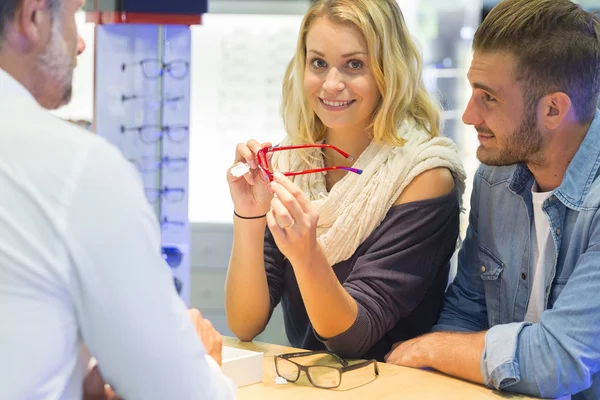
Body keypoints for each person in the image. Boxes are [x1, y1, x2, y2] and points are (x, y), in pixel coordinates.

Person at [0, 0, 235, 399]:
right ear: (34, 16)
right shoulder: (76, 167)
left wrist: (72, 377)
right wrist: (205, 360)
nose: (80, 45)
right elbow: (180, 392)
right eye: (74, 15)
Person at [225, 0, 466, 362]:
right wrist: (249, 215)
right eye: (318, 63)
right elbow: (245, 323)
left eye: (355, 65)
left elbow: (352, 338)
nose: (332, 84)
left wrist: (307, 255)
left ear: (390, 70)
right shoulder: (289, 162)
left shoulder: (424, 176)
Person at [385, 0, 600, 399]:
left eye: (489, 98)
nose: (468, 115)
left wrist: (429, 348)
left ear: (554, 109)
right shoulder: (495, 179)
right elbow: (466, 311)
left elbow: (560, 362)